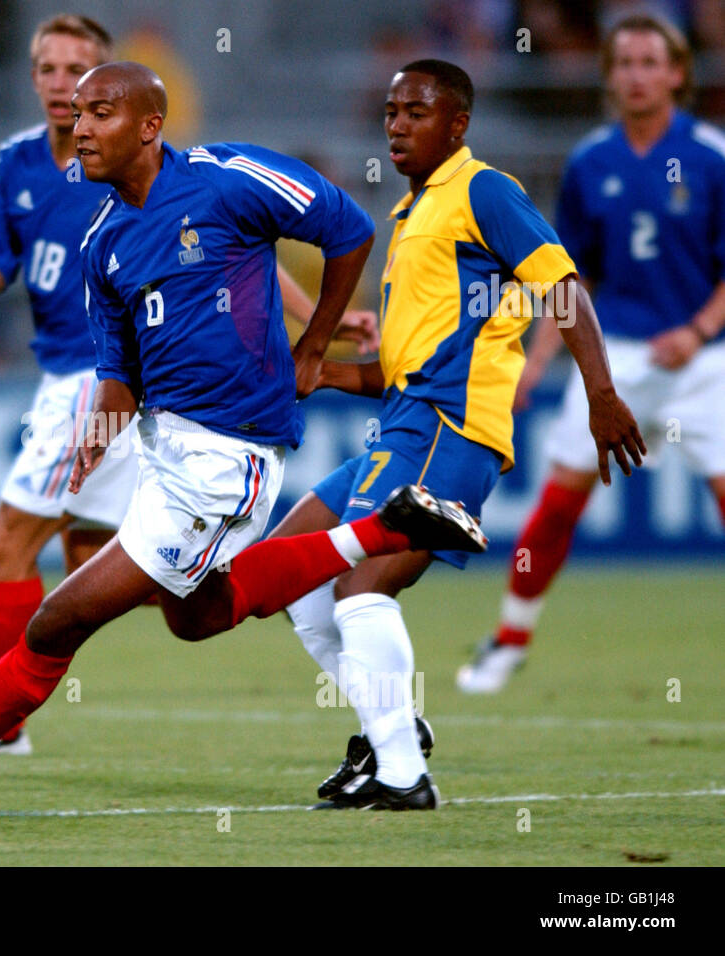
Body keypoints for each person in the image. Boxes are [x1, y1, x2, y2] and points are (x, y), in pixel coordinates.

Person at [0, 61, 488, 830]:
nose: (81, 128)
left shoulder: (226, 178)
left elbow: (347, 227)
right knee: (197, 615)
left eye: (101, 112)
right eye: (76, 113)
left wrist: (313, 345)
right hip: (162, 453)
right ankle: (385, 528)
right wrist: (98, 435)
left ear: (150, 125)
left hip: (227, 459)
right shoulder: (103, 242)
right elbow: (121, 376)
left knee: (55, 624)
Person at [0, 15, 377, 757]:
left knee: (9, 545)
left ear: (133, 109)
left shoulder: (154, 173)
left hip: (114, 389)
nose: (66, 92)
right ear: (35, 81)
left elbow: (241, 253)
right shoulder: (20, 167)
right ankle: (278, 582)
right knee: (131, 580)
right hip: (96, 387)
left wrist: (318, 332)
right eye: (51, 73)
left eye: (80, 75)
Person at [262, 59, 647, 809]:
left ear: (458, 124)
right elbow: (401, 367)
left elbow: (560, 284)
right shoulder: (410, 220)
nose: (398, 124)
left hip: (451, 429)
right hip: (405, 422)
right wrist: (326, 371)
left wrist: (601, 393)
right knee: (291, 574)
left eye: (417, 111)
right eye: (392, 111)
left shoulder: (483, 190)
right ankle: (393, 732)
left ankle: (404, 776)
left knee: (358, 586)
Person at [458, 14, 725, 694]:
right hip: (615, 362)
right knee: (557, 505)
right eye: (624, 62)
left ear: (676, 74)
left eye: (649, 61)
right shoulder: (590, 162)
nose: (636, 73)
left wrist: (696, 331)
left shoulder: (710, 156)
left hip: (702, 362)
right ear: (609, 77)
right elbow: (568, 275)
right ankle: (509, 639)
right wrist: (540, 356)